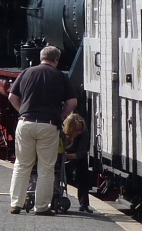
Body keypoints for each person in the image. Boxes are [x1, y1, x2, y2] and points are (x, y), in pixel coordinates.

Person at [7, 45, 78, 215]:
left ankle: (16, 204)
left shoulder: (26, 73)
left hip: (25, 123)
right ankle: (41, 207)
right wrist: (61, 115)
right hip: (48, 125)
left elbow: (12, 97)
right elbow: (72, 102)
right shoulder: (60, 76)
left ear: (41, 58)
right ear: (56, 60)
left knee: (22, 165)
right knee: (46, 167)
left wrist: (22, 112)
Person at [62, 112, 92, 212]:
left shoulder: (84, 131)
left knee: (83, 175)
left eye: (80, 130)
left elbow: (81, 152)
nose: (79, 132)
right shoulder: (62, 130)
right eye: (77, 130)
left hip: (76, 153)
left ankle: (84, 203)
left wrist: (69, 155)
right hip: (63, 152)